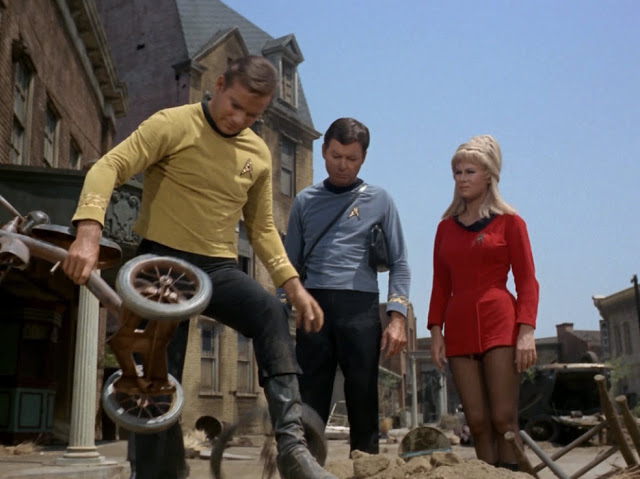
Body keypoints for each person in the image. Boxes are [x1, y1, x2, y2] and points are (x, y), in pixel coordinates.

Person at [61, 55, 337, 479]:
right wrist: (88, 231)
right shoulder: (172, 123)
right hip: (161, 264)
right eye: (235, 105)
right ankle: (157, 472)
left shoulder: (257, 154)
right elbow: (109, 165)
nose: (239, 119)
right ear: (219, 85)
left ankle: (291, 448)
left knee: (269, 311)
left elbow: (262, 228)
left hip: (218, 267)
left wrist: (293, 285)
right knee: (156, 375)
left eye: (253, 115)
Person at [284, 118, 411, 455]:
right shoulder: (304, 201)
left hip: (361, 309)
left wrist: (397, 317)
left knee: (363, 398)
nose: (343, 165)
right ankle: (307, 470)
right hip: (313, 309)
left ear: (363, 158)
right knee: (310, 400)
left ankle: (366, 469)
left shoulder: (381, 200)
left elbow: (400, 263)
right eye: (336, 156)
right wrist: (280, 310)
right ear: (324, 152)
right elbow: (288, 266)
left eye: (352, 158)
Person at [426, 134, 538, 471]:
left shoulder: (511, 222)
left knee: (503, 418)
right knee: (476, 421)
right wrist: (435, 331)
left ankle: (514, 476)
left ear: (489, 175)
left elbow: (527, 280)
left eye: (469, 172)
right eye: (457, 173)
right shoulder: (444, 229)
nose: (462, 179)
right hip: (458, 327)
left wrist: (526, 331)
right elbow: (440, 284)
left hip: (500, 324)